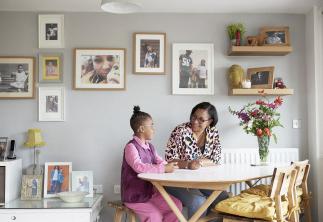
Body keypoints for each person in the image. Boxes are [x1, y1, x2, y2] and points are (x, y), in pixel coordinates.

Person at [165, 102, 229, 218]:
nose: (195, 121)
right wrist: (188, 164)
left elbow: (216, 158)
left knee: (222, 198)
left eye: (201, 119)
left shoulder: (212, 132)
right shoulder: (180, 131)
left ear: (210, 121)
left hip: (202, 179)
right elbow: (170, 160)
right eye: (193, 117)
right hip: (177, 180)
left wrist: (199, 163)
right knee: (199, 202)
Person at [121, 106, 182, 222]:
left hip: (150, 193)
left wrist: (171, 167)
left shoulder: (150, 147)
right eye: (152, 125)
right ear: (141, 129)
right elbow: (139, 167)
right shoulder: (131, 147)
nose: (154, 129)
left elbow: (160, 161)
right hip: (135, 196)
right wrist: (163, 169)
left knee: (176, 206)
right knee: (155, 216)